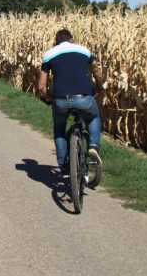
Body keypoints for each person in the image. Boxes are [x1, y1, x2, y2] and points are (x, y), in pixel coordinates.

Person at [38, 28, 104, 175]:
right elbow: (97, 71)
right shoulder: (84, 50)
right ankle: (93, 145)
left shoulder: (49, 54)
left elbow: (41, 86)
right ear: (71, 40)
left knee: (59, 129)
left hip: (60, 99)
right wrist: (100, 85)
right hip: (83, 97)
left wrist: (47, 97)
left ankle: (64, 167)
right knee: (93, 117)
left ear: (56, 42)